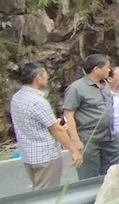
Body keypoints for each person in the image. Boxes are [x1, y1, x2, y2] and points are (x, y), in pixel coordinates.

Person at [10, 62, 82, 190]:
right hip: (46, 156)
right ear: (38, 77)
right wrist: (74, 150)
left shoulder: (17, 97)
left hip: (29, 154)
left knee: (39, 189)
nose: (47, 77)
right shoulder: (38, 101)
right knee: (46, 195)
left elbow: (32, 124)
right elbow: (56, 130)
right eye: (45, 74)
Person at [62, 53, 119, 181]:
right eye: (107, 67)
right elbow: (68, 114)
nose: (109, 70)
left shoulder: (105, 85)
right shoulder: (76, 88)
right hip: (90, 140)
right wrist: (75, 139)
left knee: (113, 176)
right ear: (96, 69)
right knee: (89, 178)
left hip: (110, 138)